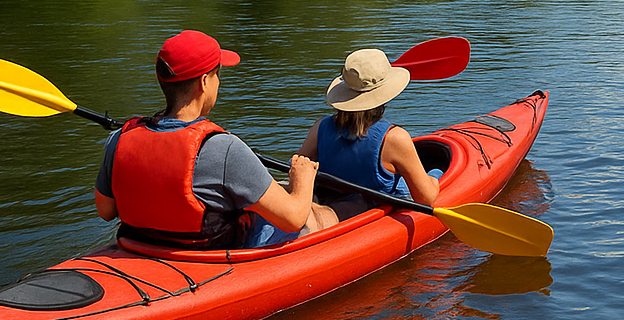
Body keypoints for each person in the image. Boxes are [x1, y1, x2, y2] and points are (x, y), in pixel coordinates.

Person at [95, 30, 335, 249]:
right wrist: (303, 178)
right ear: (204, 82)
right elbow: (293, 219)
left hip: (142, 243)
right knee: (312, 214)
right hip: (206, 256)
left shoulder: (119, 139)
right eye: (217, 75)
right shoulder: (224, 148)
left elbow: (106, 210)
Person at [296, 48, 440, 220]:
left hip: (333, 204)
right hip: (371, 215)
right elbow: (425, 198)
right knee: (437, 172)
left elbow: (296, 171)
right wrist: (434, 180)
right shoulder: (394, 139)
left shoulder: (320, 128)